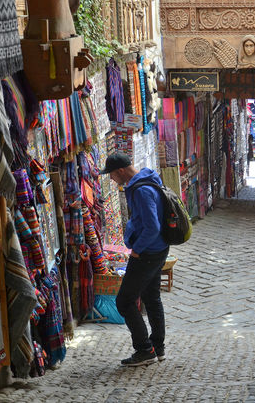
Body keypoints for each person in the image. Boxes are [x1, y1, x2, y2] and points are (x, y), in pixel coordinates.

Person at [101, 152, 169, 367]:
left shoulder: (141, 191)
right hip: (158, 249)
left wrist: (137, 249)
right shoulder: (148, 180)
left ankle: (144, 349)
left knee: (125, 301)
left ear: (120, 171)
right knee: (152, 297)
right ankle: (157, 347)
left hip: (147, 253)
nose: (111, 179)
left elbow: (152, 227)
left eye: (111, 174)